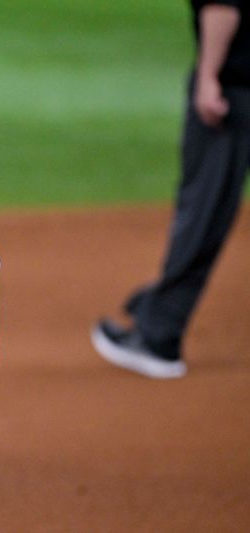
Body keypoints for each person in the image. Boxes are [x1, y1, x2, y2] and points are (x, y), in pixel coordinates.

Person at [91, 1, 250, 379]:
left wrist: (210, 74)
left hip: (235, 89)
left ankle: (157, 334)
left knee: (204, 212)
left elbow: (223, 4)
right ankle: (156, 314)